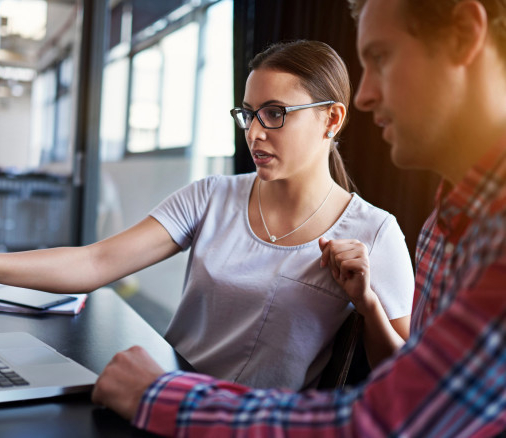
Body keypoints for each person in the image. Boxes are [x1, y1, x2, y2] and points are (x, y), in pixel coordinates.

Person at [0, 40, 414, 391]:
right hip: (163, 398)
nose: (253, 133)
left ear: (332, 118)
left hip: (252, 424)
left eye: (274, 114)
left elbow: (403, 377)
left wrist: (366, 304)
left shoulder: (373, 233)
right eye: (247, 114)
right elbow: (95, 261)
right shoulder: (212, 196)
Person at [91, 0, 506, 436]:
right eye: (249, 114)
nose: (364, 94)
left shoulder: (392, 229)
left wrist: (161, 394)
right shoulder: (448, 220)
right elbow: (416, 389)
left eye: (381, 57)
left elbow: (393, 418)